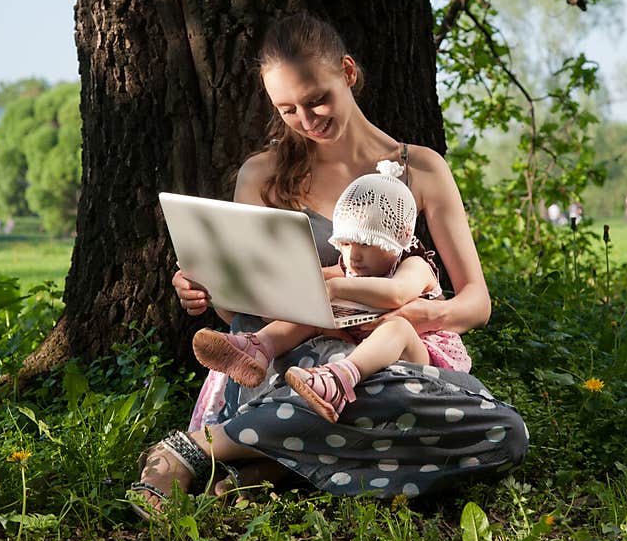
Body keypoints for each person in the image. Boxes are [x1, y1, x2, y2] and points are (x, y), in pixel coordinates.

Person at [130, 11, 528, 520]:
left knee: (503, 434)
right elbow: (241, 314)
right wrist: (207, 287)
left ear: (347, 71)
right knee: (322, 383)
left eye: (317, 98)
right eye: (288, 109)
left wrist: (408, 317)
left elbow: (476, 301)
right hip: (284, 367)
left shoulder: (421, 168)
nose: (307, 119)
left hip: (383, 366)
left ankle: (247, 456)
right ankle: (218, 453)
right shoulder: (263, 175)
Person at [190, 162, 472, 424]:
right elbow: (305, 279)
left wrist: (335, 286)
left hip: (418, 355)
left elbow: (396, 294)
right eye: (346, 244)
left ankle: (338, 380)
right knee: (314, 310)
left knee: (397, 326)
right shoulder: (350, 268)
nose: (354, 256)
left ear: (397, 240)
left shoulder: (414, 264)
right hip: (369, 350)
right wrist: (223, 273)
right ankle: (257, 348)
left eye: (367, 244)